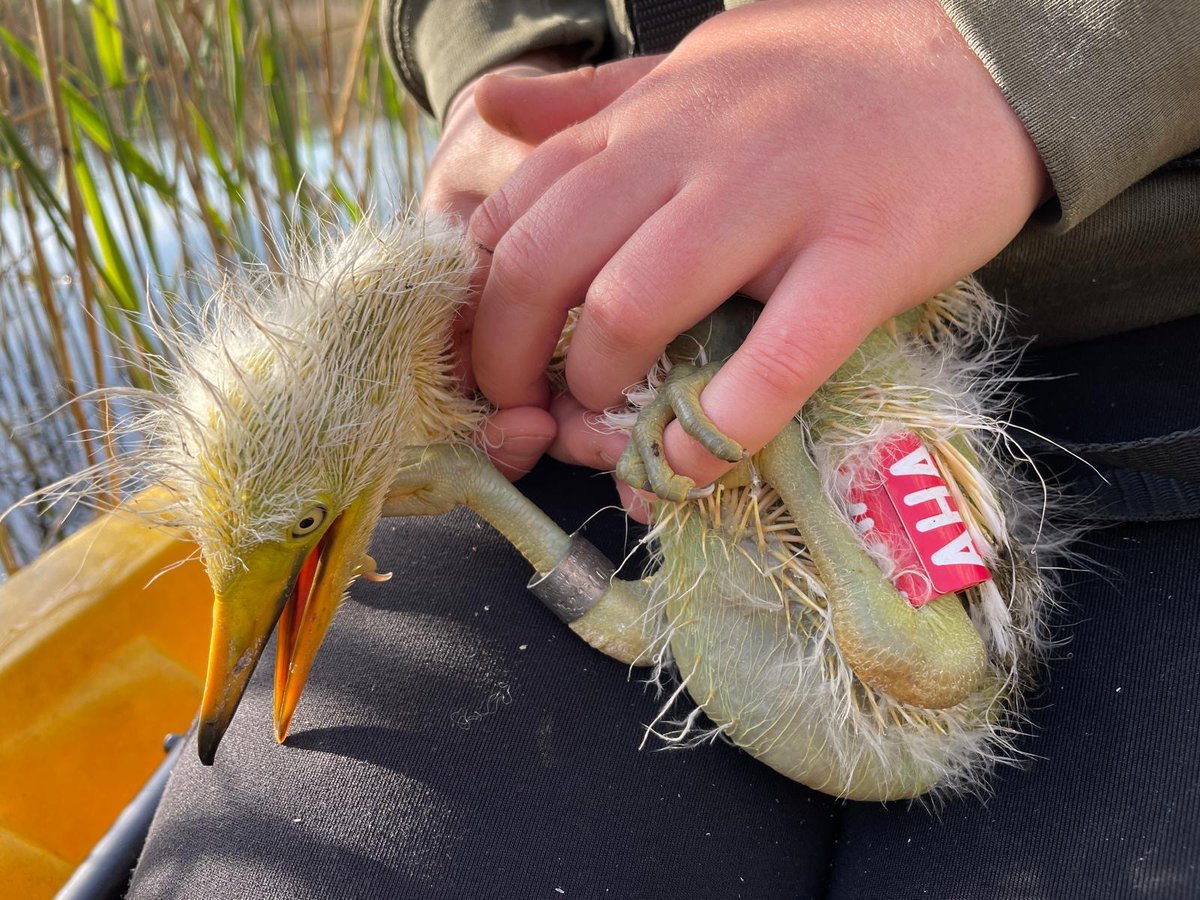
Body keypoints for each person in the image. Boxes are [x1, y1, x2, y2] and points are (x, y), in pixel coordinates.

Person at [129, 2, 1200, 896]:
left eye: (308, 519)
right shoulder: (415, 414)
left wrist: (1015, 59)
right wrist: (503, 77)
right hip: (604, 323)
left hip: (1142, 384)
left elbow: (930, 673)